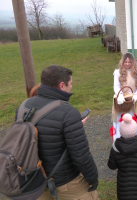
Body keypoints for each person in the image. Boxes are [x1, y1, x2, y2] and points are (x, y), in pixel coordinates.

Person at [18, 65, 99, 199]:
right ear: (62, 85)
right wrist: (93, 178)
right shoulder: (68, 112)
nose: (71, 87)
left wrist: (73, 127)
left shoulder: (23, 107)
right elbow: (81, 155)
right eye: (70, 83)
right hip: (65, 182)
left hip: (33, 180)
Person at [107, 113, 137, 200]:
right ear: (135, 130)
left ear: (121, 131)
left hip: (123, 187)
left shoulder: (115, 147)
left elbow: (111, 166)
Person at [111, 53, 137, 142]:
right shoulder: (118, 73)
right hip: (122, 100)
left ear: (133, 62)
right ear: (122, 62)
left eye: (129, 62)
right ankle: (121, 137)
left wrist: (136, 95)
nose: (127, 64)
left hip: (135, 100)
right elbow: (116, 86)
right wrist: (120, 95)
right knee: (122, 119)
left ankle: (136, 137)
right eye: (125, 62)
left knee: (136, 118)